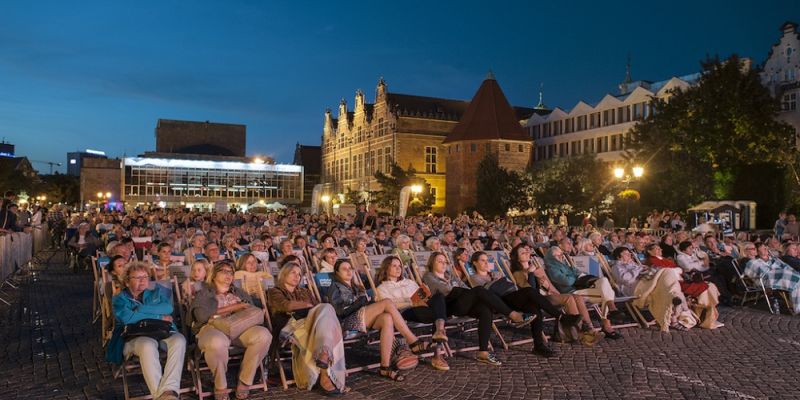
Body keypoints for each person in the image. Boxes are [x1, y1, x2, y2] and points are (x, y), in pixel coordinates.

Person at [423, 252, 533, 366]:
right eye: (439, 261)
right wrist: (462, 291)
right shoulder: (429, 276)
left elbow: (463, 287)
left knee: (484, 309)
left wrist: (464, 292)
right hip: (448, 306)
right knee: (479, 290)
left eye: (445, 261)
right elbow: (444, 290)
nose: (443, 264)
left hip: (462, 301)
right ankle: (513, 315)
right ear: (432, 263)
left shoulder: (450, 275)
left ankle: (483, 352)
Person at [328, 259, 429, 380]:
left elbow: (363, 305)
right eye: (344, 269)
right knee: (387, 302)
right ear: (337, 273)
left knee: (387, 318)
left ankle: (384, 367)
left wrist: (369, 301)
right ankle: (413, 341)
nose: (349, 271)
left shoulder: (357, 286)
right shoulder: (334, 286)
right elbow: (340, 311)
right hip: (347, 321)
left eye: (350, 268)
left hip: (363, 318)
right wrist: (361, 301)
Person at [189, 261, 272, 400]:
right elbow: (201, 316)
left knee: (264, 335)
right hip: (212, 327)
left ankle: (245, 380)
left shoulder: (239, 292)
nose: (229, 274)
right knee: (217, 342)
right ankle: (220, 385)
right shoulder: (205, 292)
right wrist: (235, 307)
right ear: (214, 275)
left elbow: (250, 311)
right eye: (224, 271)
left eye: (231, 272)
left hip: (240, 327)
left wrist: (240, 308)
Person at [266, 262, 349, 396]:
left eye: (299, 274)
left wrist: (312, 308)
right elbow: (285, 306)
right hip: (289, 326)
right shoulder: (274, 291)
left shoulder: (305, 291)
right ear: (284, 273)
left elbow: (320, 310)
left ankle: (324, 360)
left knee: (327, 309)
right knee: (327, 316)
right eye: (293, 272)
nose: (297, 276)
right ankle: (327, 372)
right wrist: (308, 305)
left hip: (309, 323)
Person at [111, 262, 185, 400]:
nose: (143, 280)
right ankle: (163, 396)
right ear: (127, 281)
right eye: (137, 277)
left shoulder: (155, 293)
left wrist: (140, 309)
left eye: (145, 277)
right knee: (147, 345)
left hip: (161, 332)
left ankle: (169, 389)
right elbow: (128, 318)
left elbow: (167, 308)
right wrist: (159, 316)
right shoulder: (119, 299)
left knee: (179, 340)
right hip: (134, 336)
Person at [469, 251, 562, 357]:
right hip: (502, 303)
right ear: (475, 263)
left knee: (534, 308)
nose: (486, 263)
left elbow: (511, 285)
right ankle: (559, 316)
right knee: (529, 291)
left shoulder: (495, 274)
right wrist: (497, 280)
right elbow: (486, 293)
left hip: (513, 297)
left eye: (487, 260)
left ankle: (539, 346)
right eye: (482, 260)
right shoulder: (474, 278)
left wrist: (496, 278)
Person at [375, 256, 449, 371]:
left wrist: (423, 300)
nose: (398, 268)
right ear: (386, 268)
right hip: (405, 312)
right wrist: (411, 302)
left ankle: (439, 331)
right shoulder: (382, 288)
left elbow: (423, 296)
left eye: (399, 266)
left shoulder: (409, 282)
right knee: (439, 314)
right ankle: (437, 354)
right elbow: (388, 305)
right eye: (394, 266)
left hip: (421, 309)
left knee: (438, 297)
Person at [543, 246, 622, 339]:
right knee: (608, 295)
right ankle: (607, 324)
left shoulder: (565, 265)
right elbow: (567, 281)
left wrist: (574, 273)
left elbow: (579, 272)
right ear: (551, 257)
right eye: (558, 255)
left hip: (581, 289)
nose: (561, 256)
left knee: (604, 281)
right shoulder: (552, 269)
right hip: (573, 292)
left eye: (562, 254)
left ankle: (610, 313)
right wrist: (575, 276)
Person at [610, 247, 693, 331]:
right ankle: (675, 312)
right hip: (637, 288)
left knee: (668, 275)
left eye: (629, 253)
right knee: (667, 273)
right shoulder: (617, 266)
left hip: (648, 282)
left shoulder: (633, 264)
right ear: (618, 256)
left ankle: (674, 300)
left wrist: (643, 268)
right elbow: (625, 279)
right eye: (626, 253)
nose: (629, 255)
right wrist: (637, 269)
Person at [645, 243, 722, 329]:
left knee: (710, 286)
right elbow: (663, 273)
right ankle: (704, 316)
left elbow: (678, 268)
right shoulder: (651, 260)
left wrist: (678, 270)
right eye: (657, 249)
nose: (660, 250)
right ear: (649, 251)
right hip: (671, 283)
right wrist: (676, 270)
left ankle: (707, 315)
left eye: (660, 249)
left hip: (680, 279)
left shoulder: (664, 259)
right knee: (706, 287)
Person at [745, 243, 800, 315]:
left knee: (797, 280)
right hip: (769, 280)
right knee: (796, 282)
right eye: (763, 248)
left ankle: (797, 308)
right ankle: (798, 309)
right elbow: (766, 274)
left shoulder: (772, 259)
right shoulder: (752, 262)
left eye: (766, 247)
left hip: (780, 278)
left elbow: (787, 267)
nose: (766, 249)